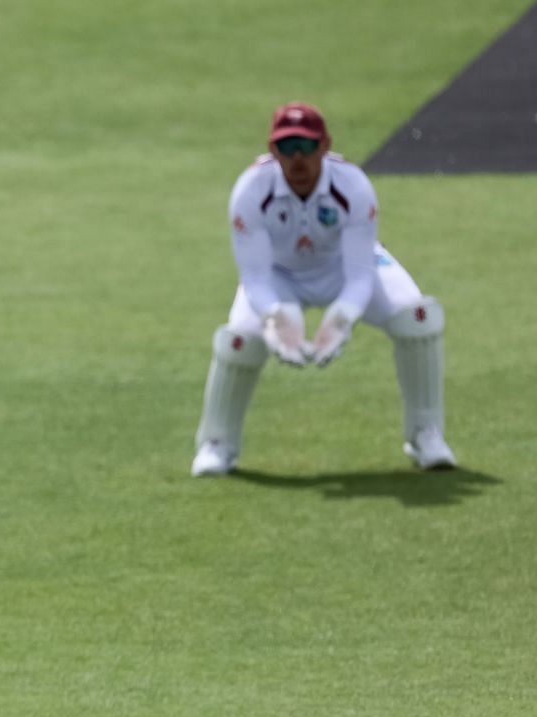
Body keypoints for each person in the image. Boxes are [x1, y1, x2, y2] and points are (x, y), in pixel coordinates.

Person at [193, 101, 454, 477]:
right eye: (287, 148)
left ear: (325, 145)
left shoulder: (353, 186)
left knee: (418, 318)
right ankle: (216, 444)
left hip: (343, 268)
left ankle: (425, 434)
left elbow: (362, 274)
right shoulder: (250, 190)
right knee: (239, 342)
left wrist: (344, 317)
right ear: (272, 150)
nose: (297, 160)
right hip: (279, 276)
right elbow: (255, 278)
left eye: (306, 147)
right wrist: (274, 316)